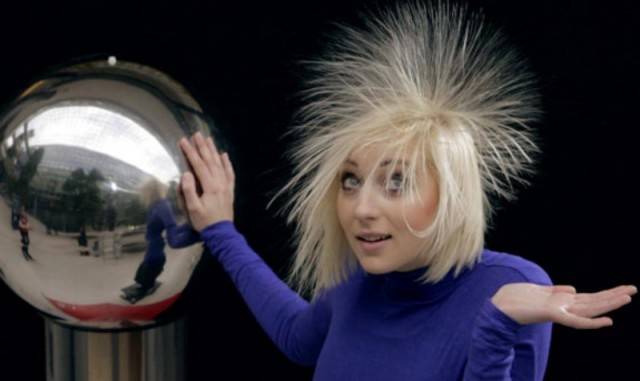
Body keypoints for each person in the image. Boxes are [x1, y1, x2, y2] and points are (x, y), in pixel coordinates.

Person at [178, 2, 636, 380]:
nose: (361, 208)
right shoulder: (358, 284)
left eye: (397, 182)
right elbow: (299, 336)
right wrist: (221, 230)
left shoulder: (510, 289)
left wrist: (495, 327)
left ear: (451, 194)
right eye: (350, 181)